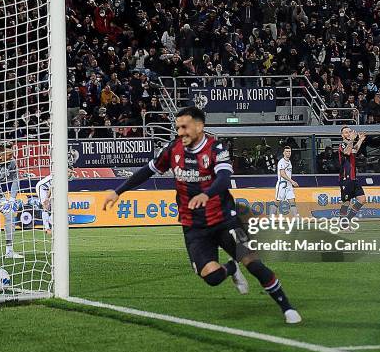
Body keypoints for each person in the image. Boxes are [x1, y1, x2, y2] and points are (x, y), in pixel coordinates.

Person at [103, 107, 301, 324]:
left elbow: (224, 179)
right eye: (177, 127)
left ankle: (287, 308)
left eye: (184, 127)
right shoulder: (173, 150)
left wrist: (207, 195)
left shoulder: (216, 148)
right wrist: (117, 191)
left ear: (199, 126)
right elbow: (147, 171)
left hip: (225, 220)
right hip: (194, 226)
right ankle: (230, 268)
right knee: (213, 278)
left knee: (254, 264)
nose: (180, 132)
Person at [338, 127, 367, 231]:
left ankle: (346, 221)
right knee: (346, 202)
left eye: (350, 131)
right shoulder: (342, 144)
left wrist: (360, 140)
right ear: (342, 135)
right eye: (346, 132)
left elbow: (354, 150)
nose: (348, 133)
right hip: (345, 178)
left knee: (362, 199)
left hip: (354, 178)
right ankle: (343, 224)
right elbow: (347, 152)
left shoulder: (350, 144)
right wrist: (352, 140)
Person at [275, 146, 299, 216]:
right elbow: (282, 174)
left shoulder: (289, 162)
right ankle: (271, 217)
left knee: (292, 201)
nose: (288, 153)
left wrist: (290, 183)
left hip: (288, 186)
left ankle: (296, 218)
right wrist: (292, 181)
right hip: (282, 185)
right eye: (287, 151)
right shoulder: (281, 162)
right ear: (283, 152)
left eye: (289, 151)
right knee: (277, 202)